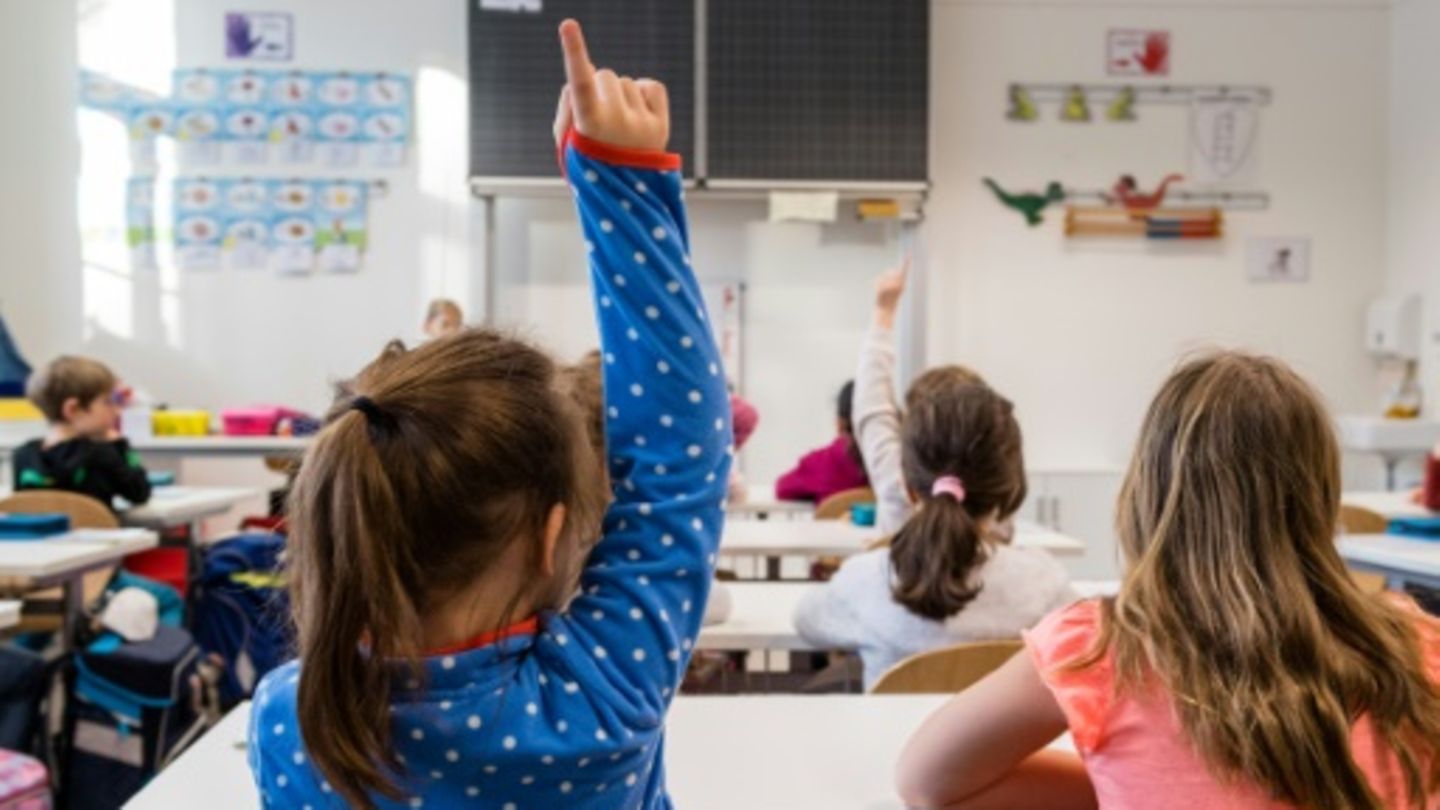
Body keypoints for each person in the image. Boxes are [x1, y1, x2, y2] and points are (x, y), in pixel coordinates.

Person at [248, 21, 731, 808]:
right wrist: (618, 179)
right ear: (550, 535)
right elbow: (681, 458)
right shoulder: (596, 698)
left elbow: (682, 456)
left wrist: (617, 181)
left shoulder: (290, 717)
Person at [896, 352, 1440, 810]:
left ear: (1148, 493)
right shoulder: (1418, 648)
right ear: (1323, 494)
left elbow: (925, 783)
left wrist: (1124, 785)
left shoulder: (1100, 650)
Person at [794, 365, 1073, 688]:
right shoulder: (1043, 583)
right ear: (1010, 487)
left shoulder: (867, 581)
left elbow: (806, 622)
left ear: (909, 485)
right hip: (1012, 742)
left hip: (888, 740)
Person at [13, 355, 151, 508]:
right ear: (72, 409)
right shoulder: (101, 453)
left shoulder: (24, 455)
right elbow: (140, 493)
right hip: (99, 531)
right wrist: (119, 444)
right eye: (108, 402)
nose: (117, 412)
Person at [774, 381, 869, 503]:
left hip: (833, 521)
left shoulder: (822, 463)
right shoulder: (895, 464)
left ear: (840, 424)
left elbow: (782, 488)